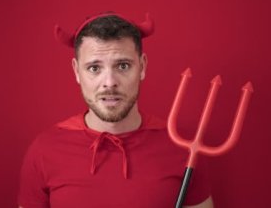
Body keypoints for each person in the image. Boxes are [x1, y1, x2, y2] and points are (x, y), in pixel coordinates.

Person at [18, 12, 214, 208]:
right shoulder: (44, 150)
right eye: (94, 68)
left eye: (123, 65)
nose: (110, 83)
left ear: (142, 66)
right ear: (77, 71)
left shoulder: (185, 148)